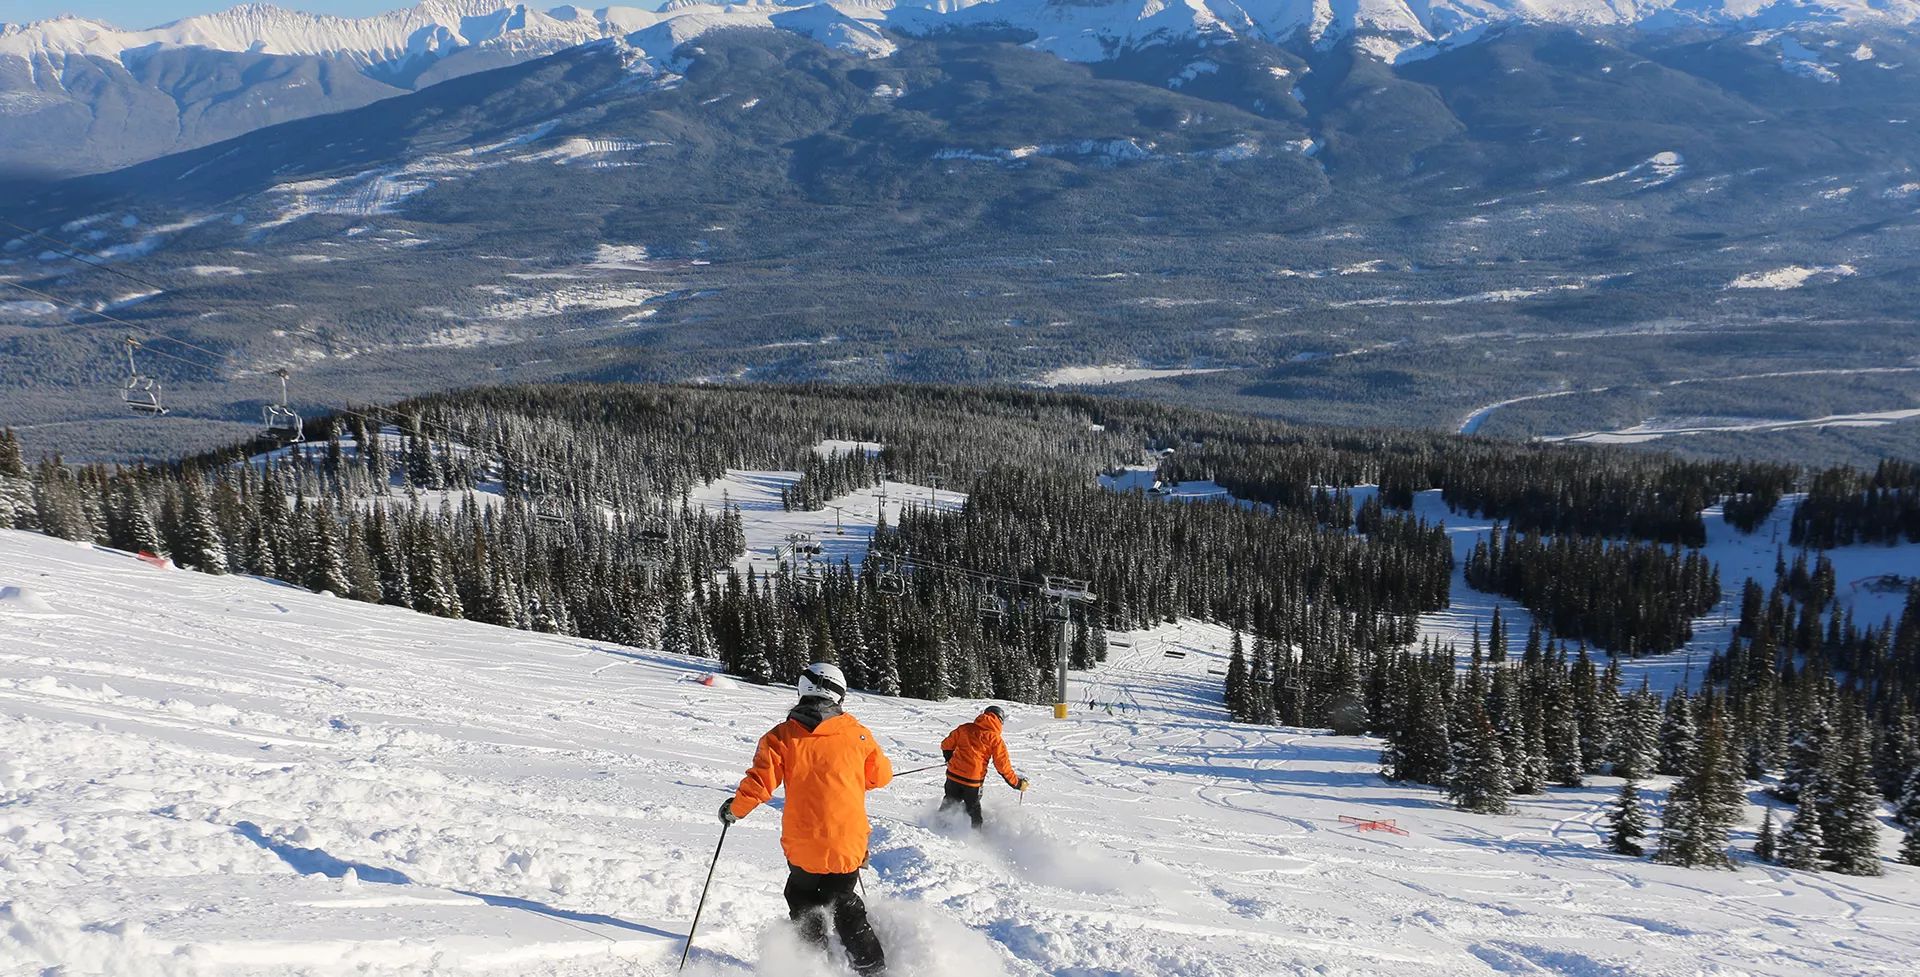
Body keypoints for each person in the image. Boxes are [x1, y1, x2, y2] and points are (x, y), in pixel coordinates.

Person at [720, 662, 892, 976]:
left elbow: (759, 785)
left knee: (801, 897)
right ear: (839, 695)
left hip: (803, 845)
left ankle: (812, 963)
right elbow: (880, 776)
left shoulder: (780, 737)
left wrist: (735, 810)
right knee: (843, 902)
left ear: (802, 689)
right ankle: (873, 968)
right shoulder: (858, 735)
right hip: (847, 844)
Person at [939, 705, 1027, 829]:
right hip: (972, 781)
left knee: (950, 801)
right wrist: (1017, 783)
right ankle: (975, 836)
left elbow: (946, 745)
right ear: (1000, 721)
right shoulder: (995, 739)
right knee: (973, 810)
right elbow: (1003, 766)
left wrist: (949, 759)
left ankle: (937, 827)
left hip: (953, 776)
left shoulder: (965, 728)